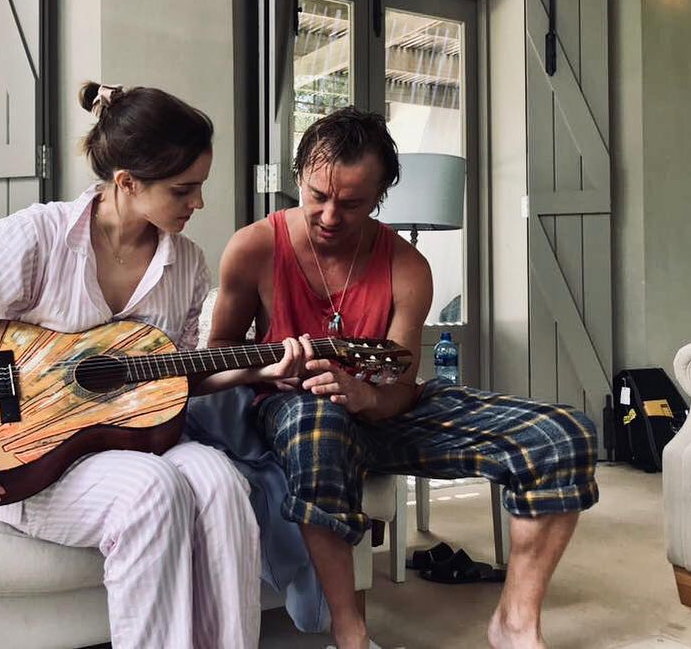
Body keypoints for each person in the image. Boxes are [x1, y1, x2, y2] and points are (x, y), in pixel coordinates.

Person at [0, 81, 304, 649]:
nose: (199, 203)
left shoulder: (186, 264)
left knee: (222, 482)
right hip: (26, 452)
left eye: (200, 186)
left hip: (129, 438)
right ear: (127, 182)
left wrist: (259, 369)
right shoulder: (37, 237)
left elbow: (172, 373)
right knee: (152, 488)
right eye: (184, 189)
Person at [209, 107, 599, 649]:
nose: (329, 216)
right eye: (317, 196)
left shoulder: (407, 267)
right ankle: (351, 633)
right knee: (317, 424)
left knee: (563, 435)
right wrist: (268, 368)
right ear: (298, 177)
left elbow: (399, 385)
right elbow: (218, 352)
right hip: (294, 411)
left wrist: (365, 395)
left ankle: (515, 622)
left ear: (379, 196)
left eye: (351, 204)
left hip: (385, 411)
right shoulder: (254, 247)